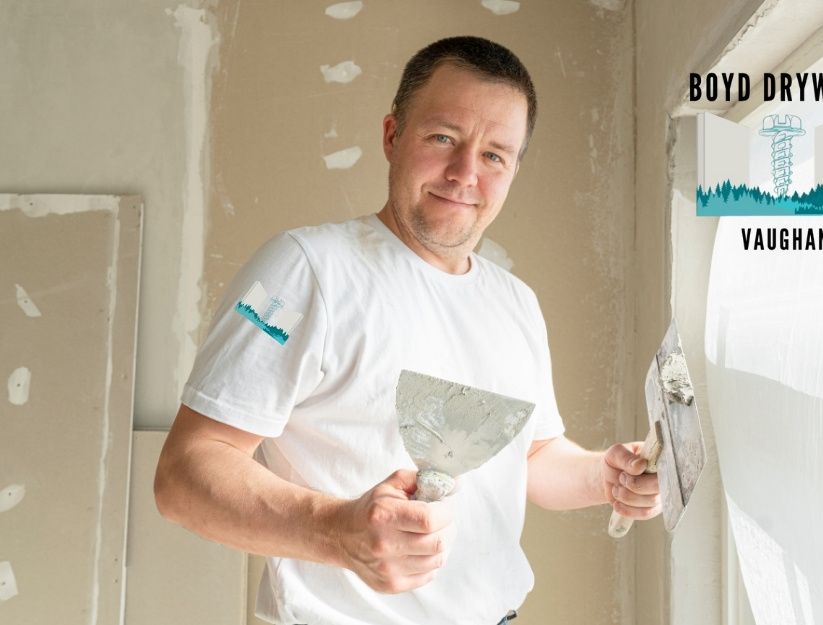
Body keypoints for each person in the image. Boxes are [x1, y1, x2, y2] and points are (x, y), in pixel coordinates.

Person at [154, 36, 661, 625]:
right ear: (393, 136)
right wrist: (336, 532)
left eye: (495, 154)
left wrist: (606, 475)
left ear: (514, 169)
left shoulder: (515, 302)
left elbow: (533, 455)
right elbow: (185, 475)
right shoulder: (301, 272)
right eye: (443, 137)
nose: (465, 173)